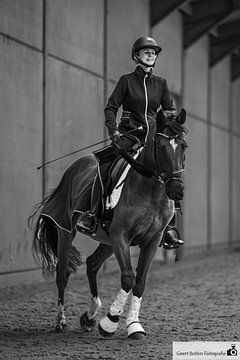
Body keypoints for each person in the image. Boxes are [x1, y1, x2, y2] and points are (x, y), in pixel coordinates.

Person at [76, 36, 183, 249]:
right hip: (130, 137)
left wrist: (169, 121)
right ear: (136, 56)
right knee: (105, 165)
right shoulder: (126, 81)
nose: (151, 54)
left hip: (153, 140)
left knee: (173, 170)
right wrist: (113, 129)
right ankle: (92, 215)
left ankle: (168, 227)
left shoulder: (160, 83)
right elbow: (111, 107)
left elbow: (169, 109)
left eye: (154, 52)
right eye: (147, 51)